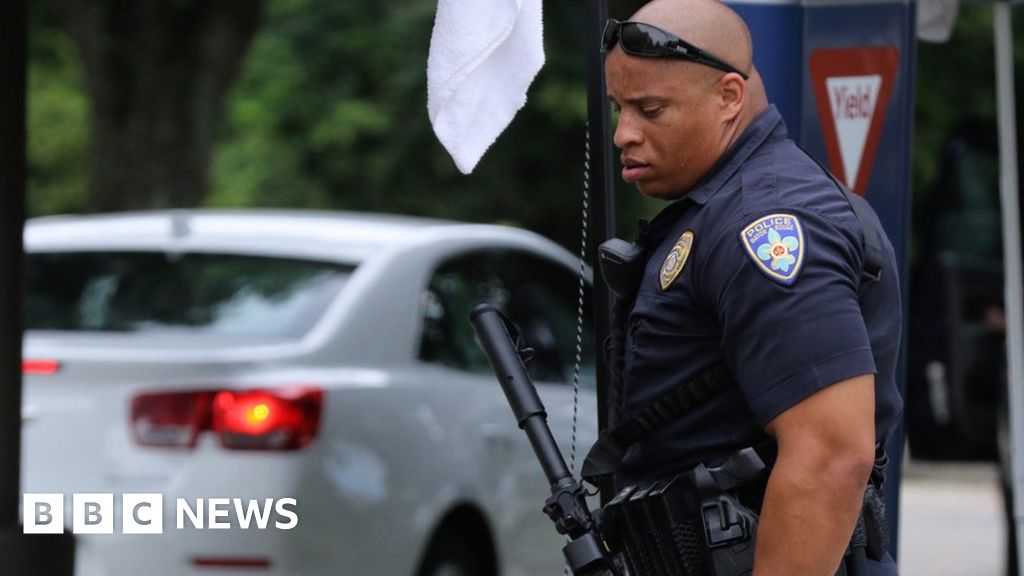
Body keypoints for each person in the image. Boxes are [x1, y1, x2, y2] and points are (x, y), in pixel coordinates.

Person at [600, 0, 903, 574]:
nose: (624, 133)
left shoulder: (767, 224)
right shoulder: (721, 207)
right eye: (619, 108)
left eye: (649, 109)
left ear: (729, 98)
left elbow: (832, 456)